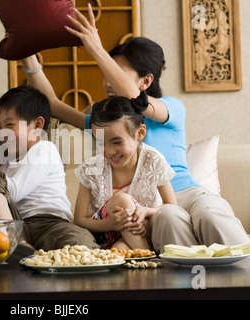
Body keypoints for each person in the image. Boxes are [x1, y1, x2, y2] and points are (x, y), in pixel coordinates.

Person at [21, 4, 250, 252]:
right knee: (167, 219)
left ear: (146, 80)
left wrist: (97, 50)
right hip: (143, 211)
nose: (107, 80)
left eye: (116, 71)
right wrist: (25, 49)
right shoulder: (109, 128)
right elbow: (53, 104)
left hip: (186, 193)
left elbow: (138, 101)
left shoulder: (170, 109)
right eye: (105, 71)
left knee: (210, 214)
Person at [0, 85, 99, 251]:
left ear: (37, 125)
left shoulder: (44, 149)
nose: (2, 133)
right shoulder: (5, 166)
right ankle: (14, 239)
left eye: (10, 125)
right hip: (19, 222)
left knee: (78, 240)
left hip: (50, 224)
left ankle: (14, 240)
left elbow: (14, 190)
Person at [74, 92, 176, 250]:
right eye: (101, 143)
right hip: (104, 233)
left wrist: (146, 212)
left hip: (140, 233)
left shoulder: (152, 160)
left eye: (117, 142)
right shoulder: (92, 168)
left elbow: (172, 206)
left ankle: (141, 256)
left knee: (119, 252)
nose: (109, 151)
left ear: (140, 133)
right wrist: (110, 223)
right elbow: (79, 220)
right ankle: (146, 256)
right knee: (121, 201)